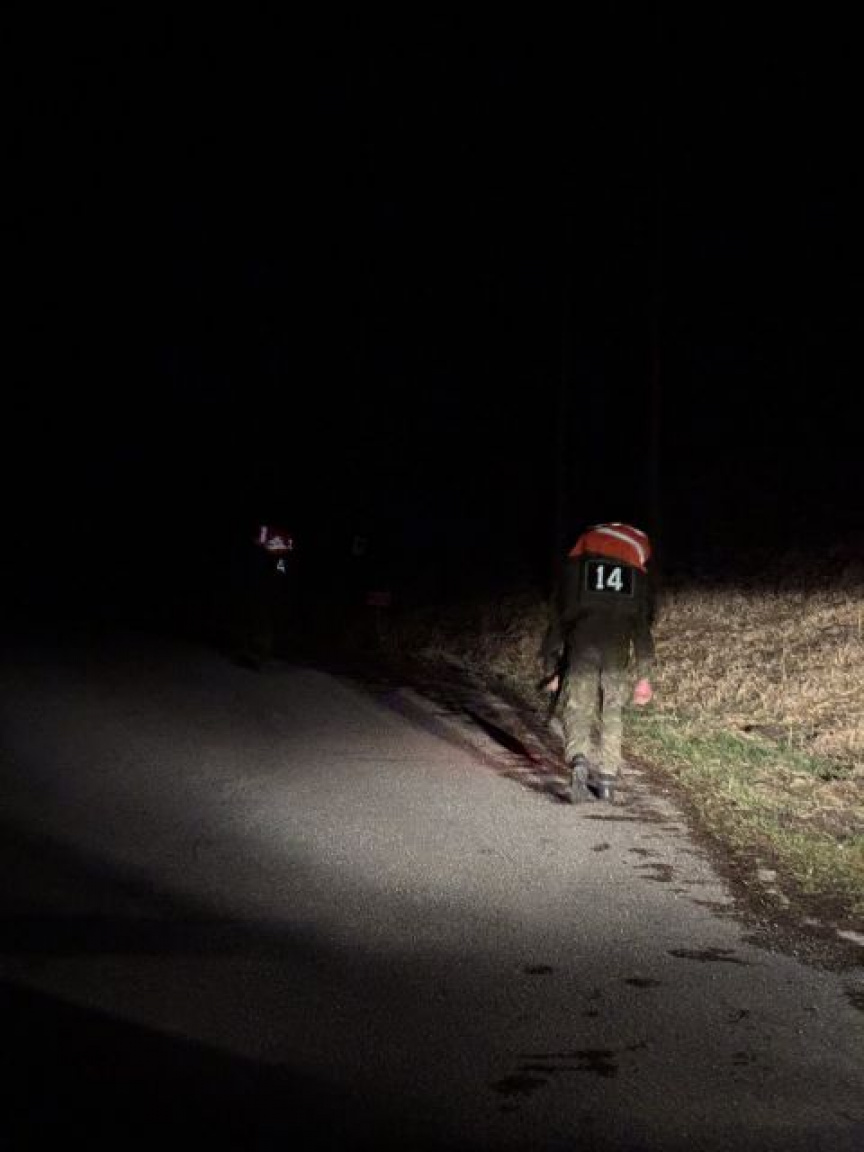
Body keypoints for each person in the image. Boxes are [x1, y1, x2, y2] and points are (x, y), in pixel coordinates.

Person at [541, 522, 656, 803]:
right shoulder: (637, 579)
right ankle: (607, 779)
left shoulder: (577, 573)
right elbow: (642, 629)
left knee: (578, 708)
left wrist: (552, 668)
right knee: (612, 711)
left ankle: (579, 761)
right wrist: (644, 676)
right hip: (617, 653)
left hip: (581, 649)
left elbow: (559, 622)